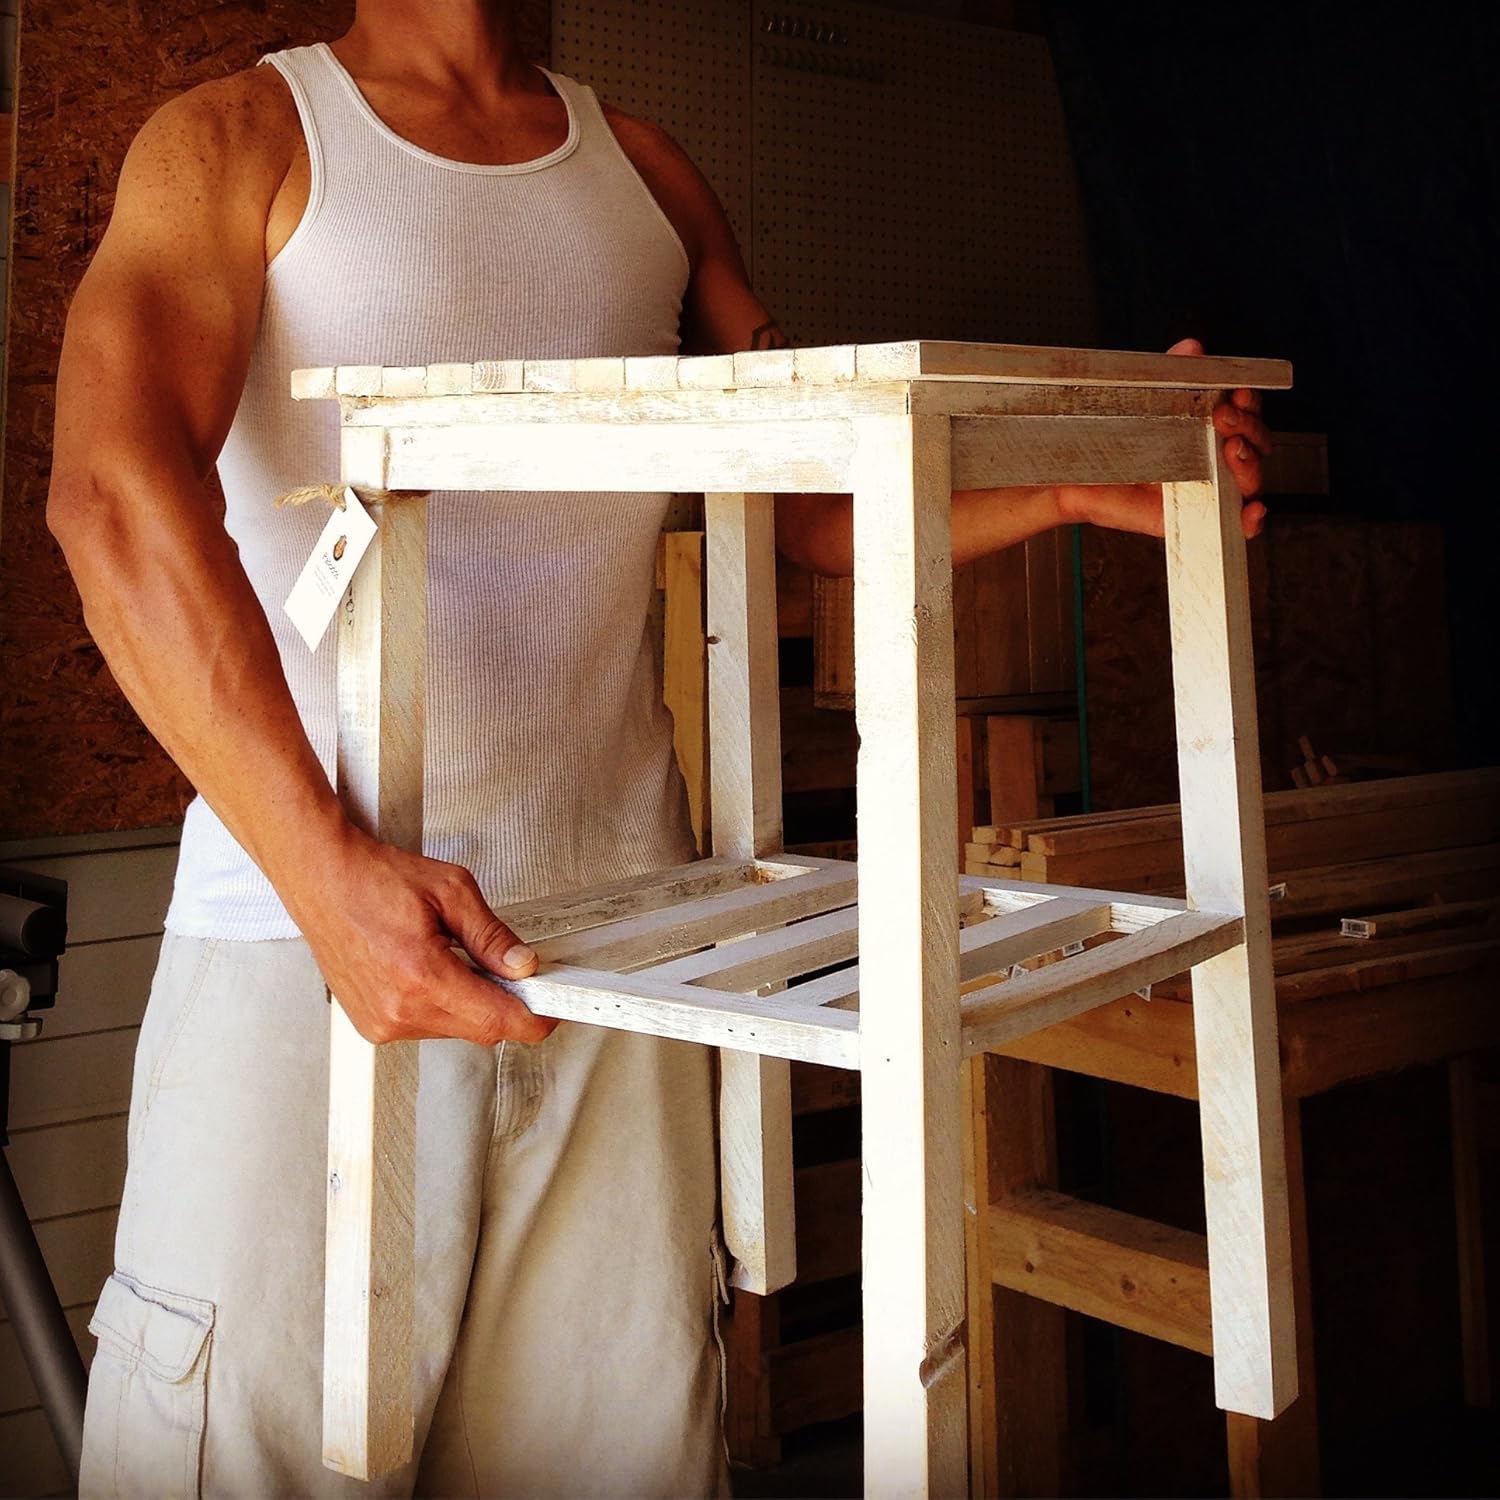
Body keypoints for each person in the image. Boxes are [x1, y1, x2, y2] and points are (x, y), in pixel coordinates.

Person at [46, 3, 1271, 1494]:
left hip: (628, 955)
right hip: (303, 943)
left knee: (608, 1460)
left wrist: (1074, 470)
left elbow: (806, 498)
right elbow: (111, 496)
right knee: (247, 1462)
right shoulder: (237, 139)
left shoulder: (641, 170)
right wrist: (325, 877)